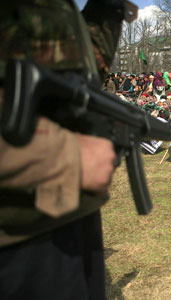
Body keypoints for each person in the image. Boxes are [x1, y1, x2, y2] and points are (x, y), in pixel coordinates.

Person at [0, 1, 133, 298]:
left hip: (70, 211)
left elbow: (79, 73)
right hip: (16, 231)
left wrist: (109, 9)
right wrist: (63, 156)